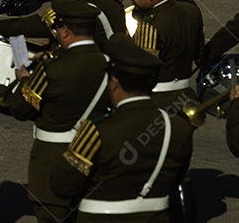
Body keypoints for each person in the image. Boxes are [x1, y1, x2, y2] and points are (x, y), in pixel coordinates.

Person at [51, 36, 194, 221]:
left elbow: (62, 185)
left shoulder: (97, 129)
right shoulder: (178, 126)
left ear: (114, 82)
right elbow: (177, 177)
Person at [5, 0, 111, 222]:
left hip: (53, 158)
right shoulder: (110, 64)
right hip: (95, 154)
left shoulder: (52, 70)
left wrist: (24, 80)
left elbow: (20, 108)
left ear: (65, 30)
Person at [123, 0, 204, 111]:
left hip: (157, 102)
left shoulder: (150, 26)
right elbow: (200, 55)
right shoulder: (191, 10)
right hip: (186, 97)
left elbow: (141, 75)